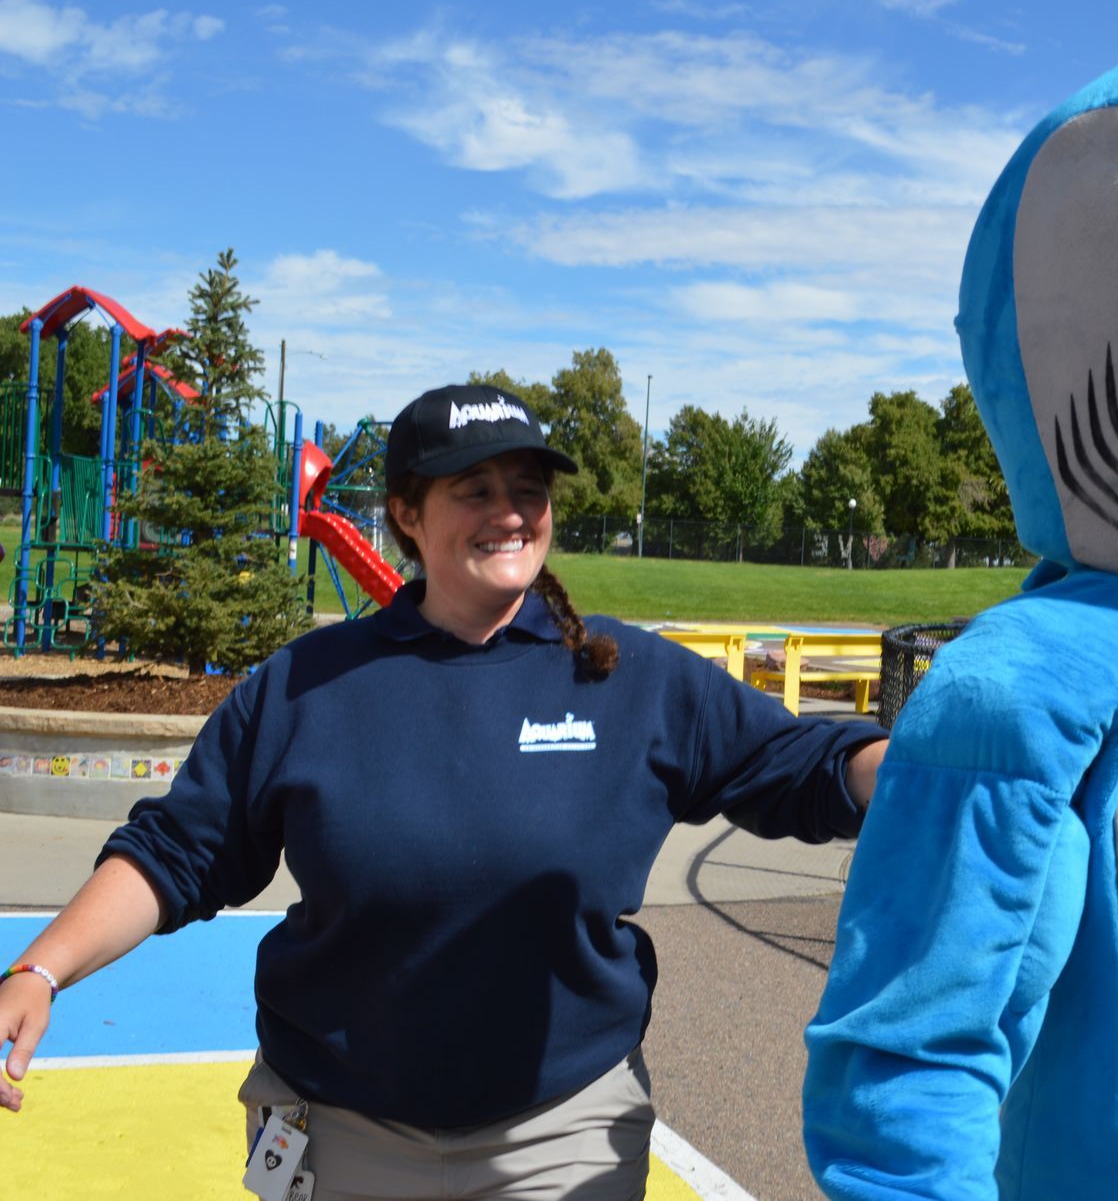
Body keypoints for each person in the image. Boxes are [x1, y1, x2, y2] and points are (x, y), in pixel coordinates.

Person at [0, 383, 887, 1199]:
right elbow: (178, 848)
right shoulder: (305, 686)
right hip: (338, 1124)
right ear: (405, 515)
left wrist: (908, 770)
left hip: (561, 1126)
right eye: (474, 488)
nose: (509, 512)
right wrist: (40, 969)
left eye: (528, 487)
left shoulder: (624, 676)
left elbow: (800, 764)